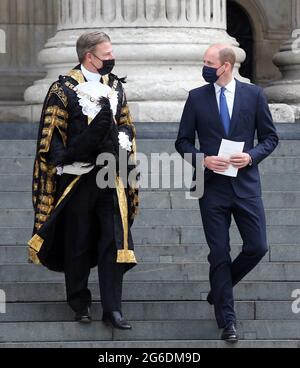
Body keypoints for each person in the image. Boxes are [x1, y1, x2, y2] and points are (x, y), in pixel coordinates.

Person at [28, 31, 139, 330]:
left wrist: (122, 140)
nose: (111, 58)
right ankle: (79, 302)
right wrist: (70, 156)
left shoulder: (114, 86)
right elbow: (51, 136)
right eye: (106, 54)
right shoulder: (63, 88)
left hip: (110, 174)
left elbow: (127, 123)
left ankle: (112, 309)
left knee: (112, 241)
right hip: (77, 177)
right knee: (77, 242)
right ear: (89, 56)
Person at [175, 44, 278, 342]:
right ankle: (227, 321)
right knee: (218, 254)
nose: (204, 66)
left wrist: (251, 156)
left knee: (257, 246)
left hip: (245, 185)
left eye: (209, 62)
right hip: (209, 186)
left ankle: (219, 289)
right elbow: (182, 142)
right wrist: (202, 158)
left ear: (227, 65)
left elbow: (270, 137)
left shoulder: (254, 95)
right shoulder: (196, 98)